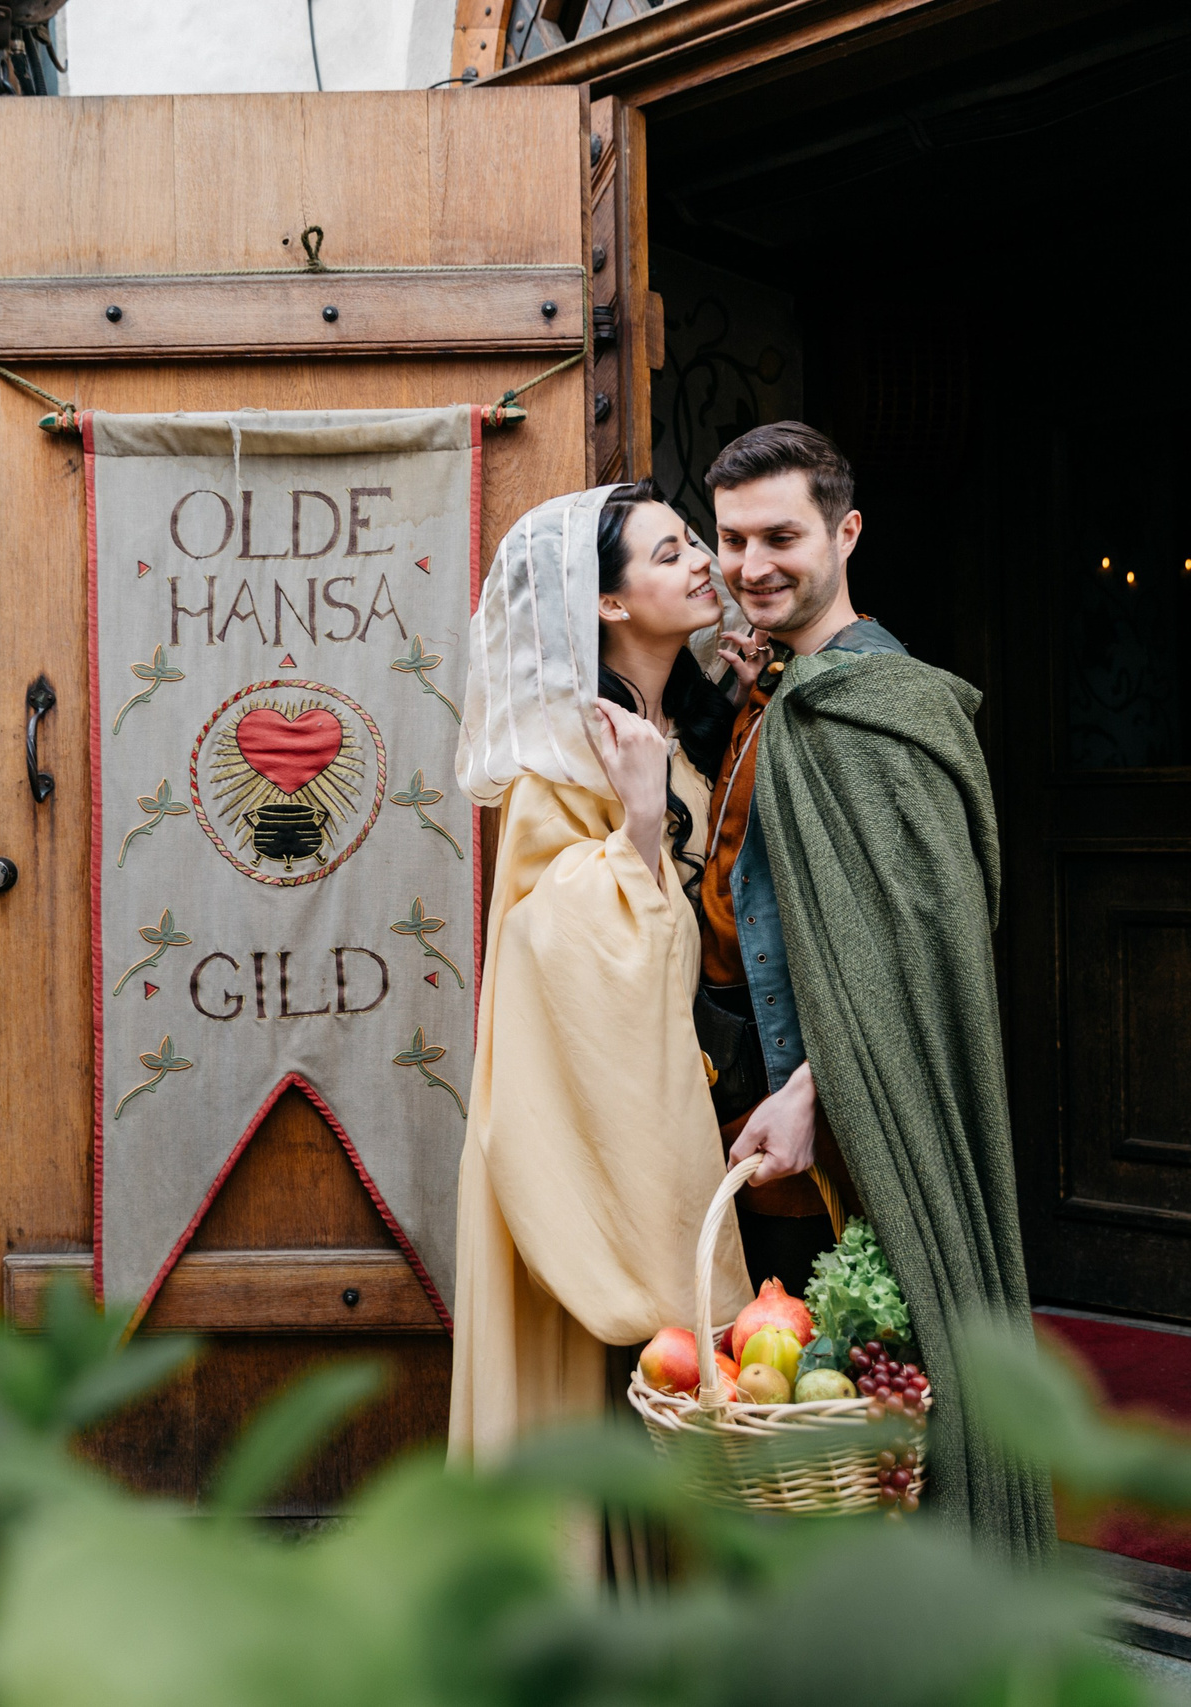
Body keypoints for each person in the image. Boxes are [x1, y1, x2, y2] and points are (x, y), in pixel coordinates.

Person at [697, 421, 1053, 1560]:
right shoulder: (779, 690)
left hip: (847, 1111)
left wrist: (816, 1086)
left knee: (890, 1390)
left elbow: (923, 950)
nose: (752, 564)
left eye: (781, 537)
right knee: (807, 1408)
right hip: (760, 1108)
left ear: (845, 533)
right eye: (732, 540)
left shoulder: (880, 708)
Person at [447, 480, 756, 1461]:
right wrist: (636, 824)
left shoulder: (691, 723)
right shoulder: (566, 752)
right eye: (670, 554)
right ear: (608, 602)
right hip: (590, 1115)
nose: (703, 561)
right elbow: (545, 941)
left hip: (688, 1087)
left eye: (692, 542)